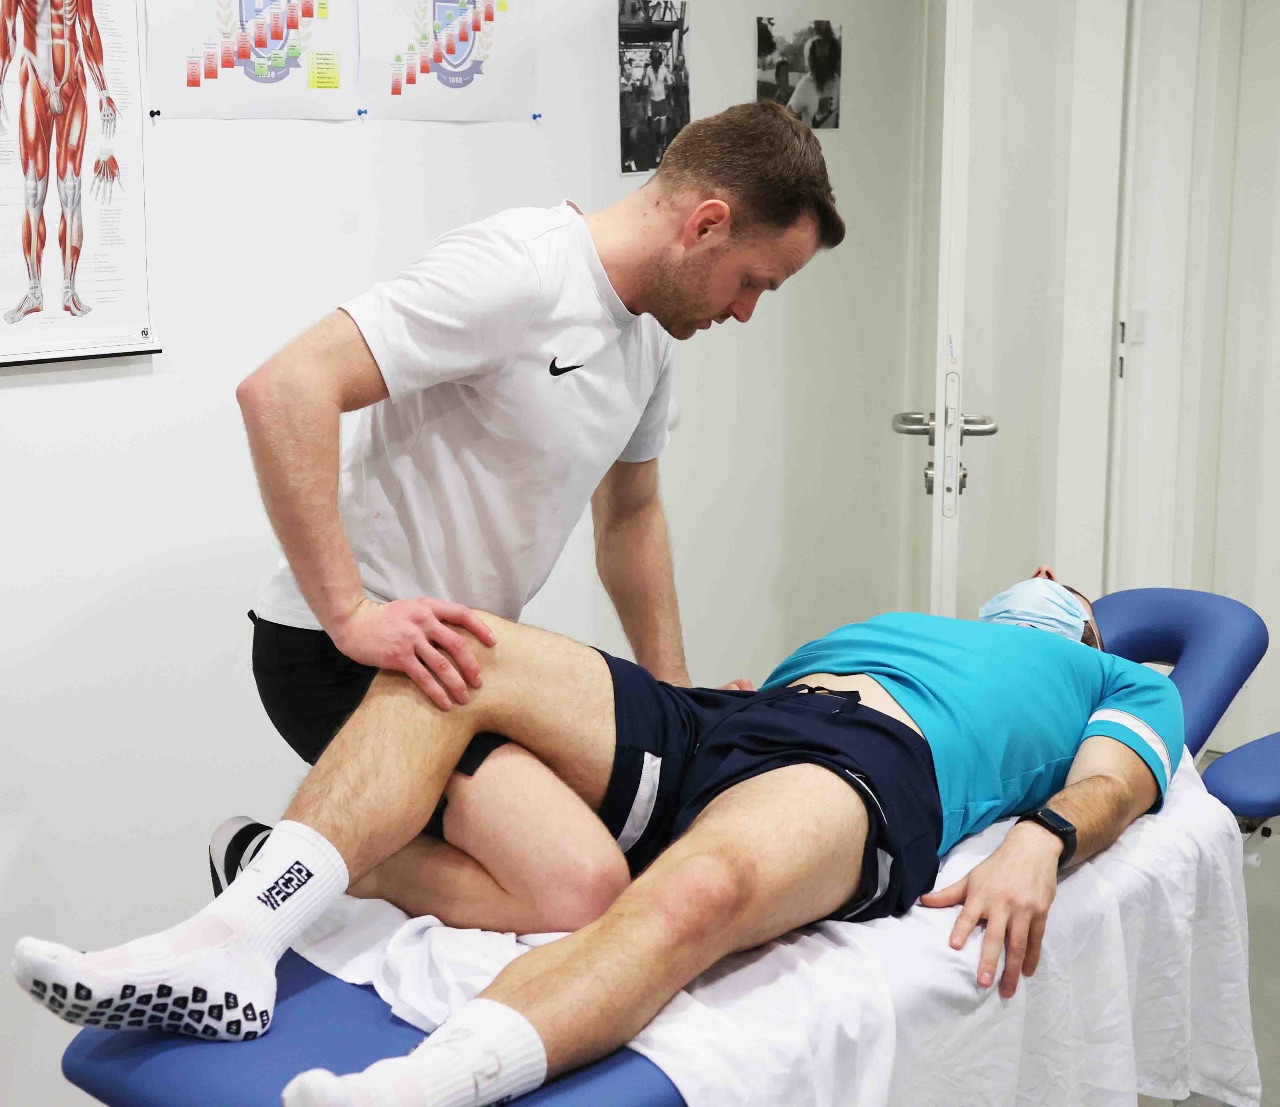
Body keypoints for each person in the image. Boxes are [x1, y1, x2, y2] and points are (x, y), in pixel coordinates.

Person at [15, 567, 1184, 1107]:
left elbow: (1118, 783)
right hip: (735, 713)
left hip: (874, 765)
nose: (1041, 582)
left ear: (1077, 621)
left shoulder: (1111, 674)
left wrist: (1038, 841)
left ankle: (421, 1090)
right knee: (453, 653)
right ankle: (234, 942)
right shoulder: (901, 614)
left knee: (698, 893)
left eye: (1064, 588)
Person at [224, 101, 846, 932]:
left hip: (469, 665)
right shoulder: (519, 270)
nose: (744, 314)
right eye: (753, 283)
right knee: (582, 890)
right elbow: (285, 389)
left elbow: (630, 517)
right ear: (706, 224)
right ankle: (271, 862)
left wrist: (678, 704)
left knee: (626, 844)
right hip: (338, 654)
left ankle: (310, 852)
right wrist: (350, 614)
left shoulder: (650, 339)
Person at [0, 0, 120, 324]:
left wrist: (104, 90)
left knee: (71, 190)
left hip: (73, 83)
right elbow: (7, 28)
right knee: (33, 191)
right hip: (34, 83)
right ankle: (34, 290)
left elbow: (88, 27)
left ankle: (69, 289)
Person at [788, 30, 841, 130]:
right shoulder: (805, 84)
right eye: (819, 46)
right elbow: (787, 115)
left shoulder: (838, 82)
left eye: (826, 46)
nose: (823, 51)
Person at [641, 46, 676, 161]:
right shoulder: (648, 70)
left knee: (662, 129)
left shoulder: (664, 69)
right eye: (654, 59)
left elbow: (670, 83)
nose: (656, 61)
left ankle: (660, 150)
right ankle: (658, 147)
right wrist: (644, 83)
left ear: (660, 59)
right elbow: (645, 86)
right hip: (652, 102)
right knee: (654, 130)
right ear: (651, 59)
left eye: (658, 59)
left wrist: (670, 82)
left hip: (662, 101)